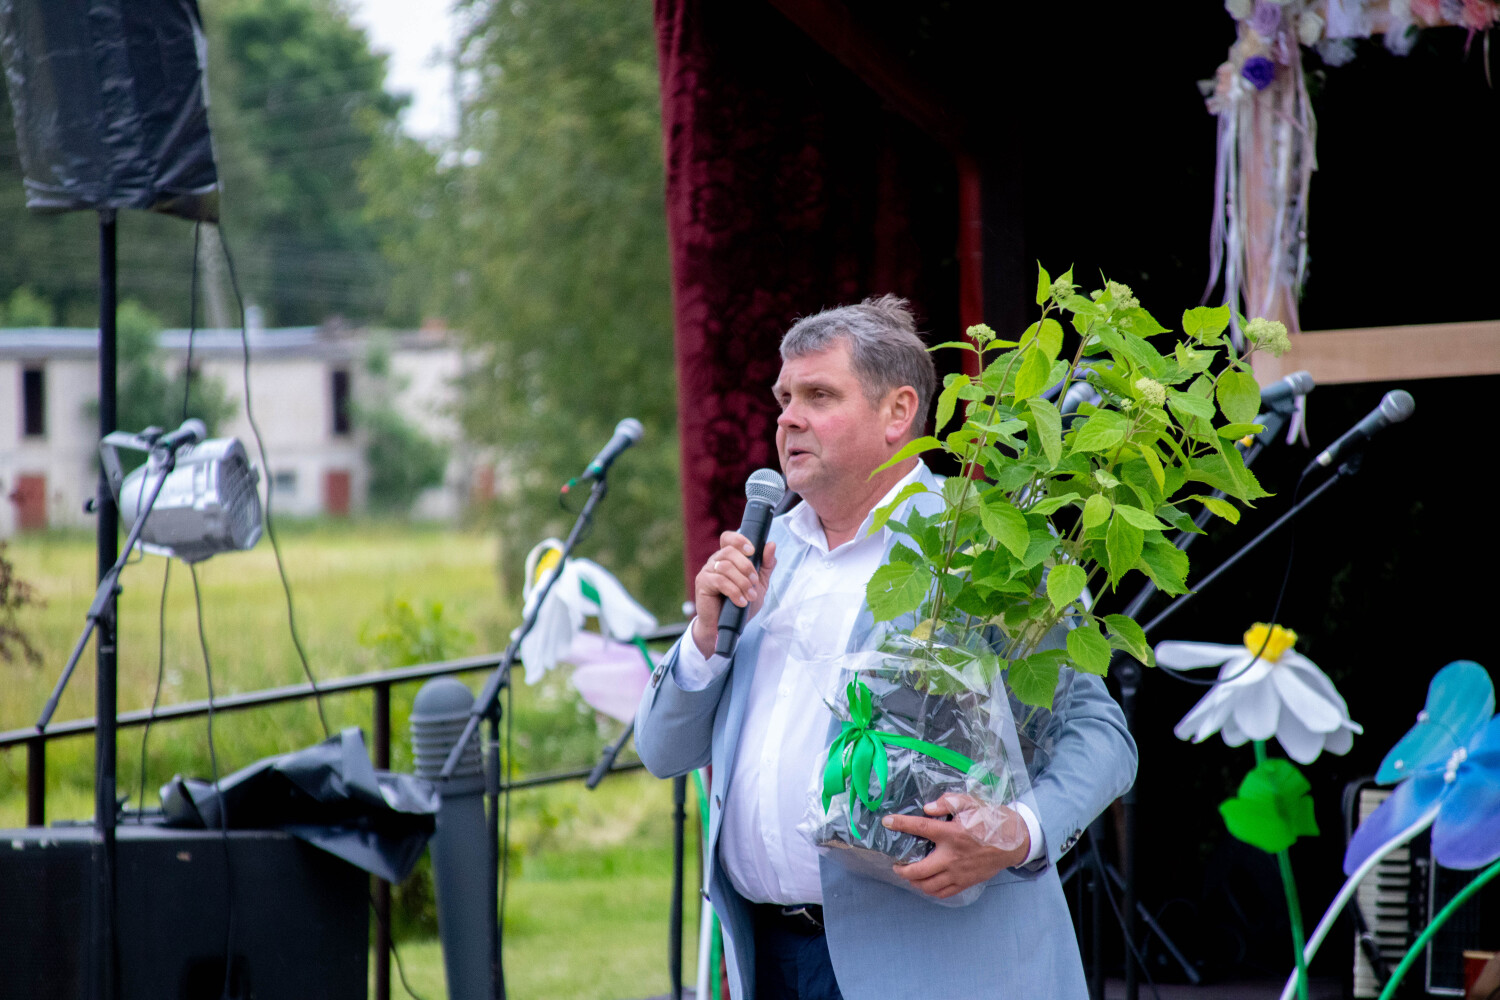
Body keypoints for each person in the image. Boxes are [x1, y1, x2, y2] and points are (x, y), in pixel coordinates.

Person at [635, 296, 1137, 999]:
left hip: (935, 966)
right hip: (769, 957)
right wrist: (703, 642)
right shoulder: (764, 556)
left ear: (898, 411)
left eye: (818, 396)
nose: (788, 419)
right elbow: (662, 751)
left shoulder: (983, 546)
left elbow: (1100, 733)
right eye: (784, 398)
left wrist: (1017, 832)